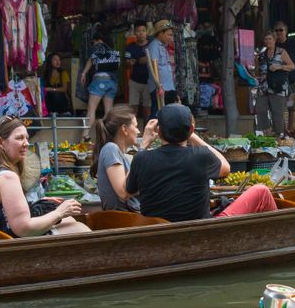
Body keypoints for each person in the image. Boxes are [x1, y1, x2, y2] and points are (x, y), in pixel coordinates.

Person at [125, 103, 278, 222]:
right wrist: (193, 136)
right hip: (203, 233)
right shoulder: (201, 155)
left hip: (159, 234)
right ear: (191, 129)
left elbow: (127, 190)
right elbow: (226, 167)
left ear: (159, 132)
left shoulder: (141, 158)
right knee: (262, 191)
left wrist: (143, 145)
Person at [0, 116, 90, 236]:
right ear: (0, 142)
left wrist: (41, 204)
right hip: (3, 246)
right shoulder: (7, 177)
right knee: (80, 229)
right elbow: (23, 229)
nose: (26, 143)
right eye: (19, 138)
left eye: (27, 138)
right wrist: (60, 212)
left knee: (69, 220)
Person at [92, 105, 157, 212]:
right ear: (124, 129)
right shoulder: (110, 149)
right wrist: (143, 146)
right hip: (124, 220)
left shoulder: (119, 153)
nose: (138, 131)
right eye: (136, 126)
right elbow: (123, 193)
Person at [81, 29, 121, 134]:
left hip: (100, 81)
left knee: (91, 110)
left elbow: (91, 59)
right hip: (112, 82)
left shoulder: (98, 47)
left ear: (99, 40)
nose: (93, 44)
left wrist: (84, 73)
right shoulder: (113, 51)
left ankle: (85, 137)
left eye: (94, 41)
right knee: (108, 111)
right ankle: (109, 136)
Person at [256, 29, 295, 135]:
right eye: (266, 39)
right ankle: (267, 131)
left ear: (274, 40)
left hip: (278, 87)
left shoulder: (281, 52)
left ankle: (279, 137)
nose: (267, 41)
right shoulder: (262, 54)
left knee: (277, 114)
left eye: (270, 39)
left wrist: (279, 67)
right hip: (264, 87)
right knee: (260, 108)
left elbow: (292, 66)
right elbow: (259, 70)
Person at [274, 21, 295, 134]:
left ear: (286, 32)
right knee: (279, 106)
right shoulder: (272, 45)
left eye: (280, 30)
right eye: (276, 30)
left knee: (292, 106)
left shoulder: (293, 44)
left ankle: (291, 130)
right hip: (277, 81)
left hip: (292, 79)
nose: (278, 32)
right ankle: (282, 130)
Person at [146, 19, 178, 111]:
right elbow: (154, 67)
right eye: (169, 35)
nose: (171, 38)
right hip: (160, 88)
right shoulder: (154, 46)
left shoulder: (163, 46)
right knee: (158, 114)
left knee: (169, 113)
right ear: (160, 33)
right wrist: (159, 86)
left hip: (168, 87)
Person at [124, 22, 151, 118]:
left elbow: (143, 61)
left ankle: (146, 130)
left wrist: (142, 60)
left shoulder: (152, 45)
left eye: (143, 31)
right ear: (135, 33)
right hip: (134, 81)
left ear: (147, 32)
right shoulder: (130, 47)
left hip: (149, 82)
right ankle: (133, 130)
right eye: (138, 31)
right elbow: (126, 63)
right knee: (133, 108)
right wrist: (129, 62)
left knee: (147, 109)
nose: (141, 33)